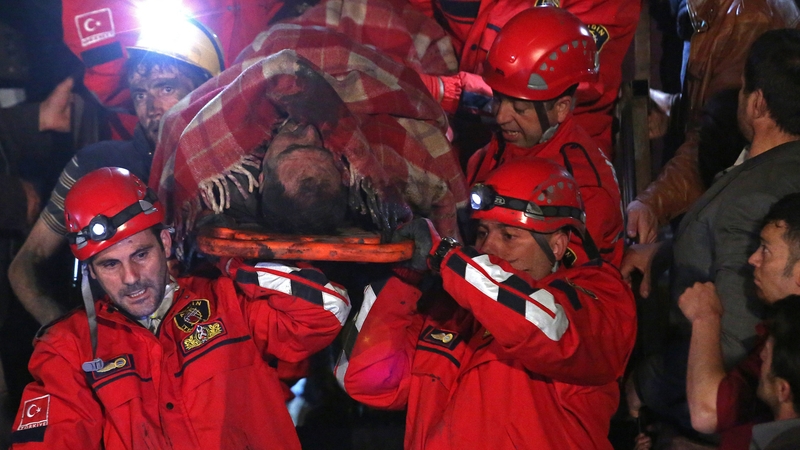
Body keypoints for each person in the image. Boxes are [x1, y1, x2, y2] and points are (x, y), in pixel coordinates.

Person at [8, 167, 350, 448]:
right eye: (110, 264)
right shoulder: (71, 349)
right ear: (91, 272)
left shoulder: (227, 301)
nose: (131, 278)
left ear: (165, 242)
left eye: (141, 254)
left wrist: (229, 260)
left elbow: (328, 310)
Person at [335, 157, 637, 449]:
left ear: (557, 245)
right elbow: (365, 381)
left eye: (509, 236)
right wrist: (404, 280)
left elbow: (545, 325)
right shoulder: (451, 309)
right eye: (482, 233)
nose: (488, 247)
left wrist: (444, 256)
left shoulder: (599, 296)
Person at [623, 29, 800, 431]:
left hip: (696, 418)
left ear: (757, 102)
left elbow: (732, 345)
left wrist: (646, 385)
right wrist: (663, 252)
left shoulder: (756, 198)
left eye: (742, 88)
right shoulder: (776, 167)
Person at [8, 18, 222, 326]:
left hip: (209, 336)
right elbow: (25, 264)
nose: (151, 107)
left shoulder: (234, 170)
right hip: (120, 344)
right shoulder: (97, 166)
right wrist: (70, 335)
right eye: (140, 94)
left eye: (166, 88)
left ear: (207, 90)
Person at [625, 0, 800, 245]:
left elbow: (720, 140)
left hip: (747, 208)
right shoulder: (705, 10)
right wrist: (675, 109)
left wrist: (651, 204)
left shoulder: (748, 18)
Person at [465, 7, 624, 268]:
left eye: (519, 109)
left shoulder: (586, 191)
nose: (501, 117)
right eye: (499, 100)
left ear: (560, 108)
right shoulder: (491, 153)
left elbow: (559, 286)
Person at [412, 0, 640, 157]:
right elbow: (416, 16)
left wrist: (437, 89)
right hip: (465, 133)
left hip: (552, 158)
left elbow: (536, 93)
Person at [679, 193, 800, 449]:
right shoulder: (782, 328)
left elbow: (708, 412)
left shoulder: (789, 342)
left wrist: (705, 317)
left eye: (766, 250)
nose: (753, 259)